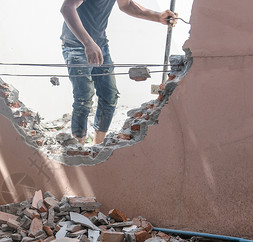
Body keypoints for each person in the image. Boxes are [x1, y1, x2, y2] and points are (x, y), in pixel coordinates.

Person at [60, 0, 176, 145]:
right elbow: (67, 8)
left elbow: (126, 5)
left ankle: (97, 147)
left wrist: (158, 16)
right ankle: (78, 149)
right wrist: (88, 43)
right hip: (76, 46)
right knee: (83, 99)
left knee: (109, 97)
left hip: (100, 44)